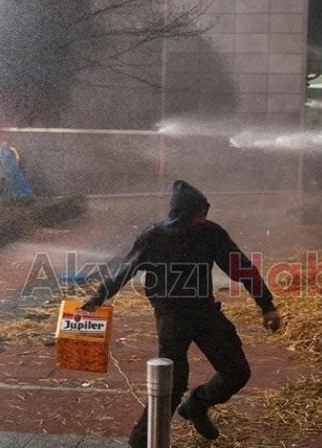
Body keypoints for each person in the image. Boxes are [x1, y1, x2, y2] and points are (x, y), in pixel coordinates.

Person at [81, 180, 282, 447]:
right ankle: (141, 441)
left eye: (204, 214)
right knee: (172, 382)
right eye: (197, 214)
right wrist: (99, 295)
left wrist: (266, 305)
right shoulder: (154, 236)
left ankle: (197, 406)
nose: (202, 219)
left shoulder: (211, 234)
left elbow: (242, 268)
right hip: (171, 315)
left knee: (237, 372)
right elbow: (125, 269)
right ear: (182, 214)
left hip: (204, 311)